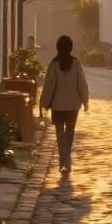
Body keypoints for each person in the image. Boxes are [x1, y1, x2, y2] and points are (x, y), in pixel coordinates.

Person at [41, 35, 90, 174]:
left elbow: (49, 86)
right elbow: (81, 83)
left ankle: (64, 161)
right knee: (69, 134)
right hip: (73, 106)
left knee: (60, 135)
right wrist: (85, 100)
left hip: (57, 106)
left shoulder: (54, 64)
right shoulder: (76, 63)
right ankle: (66, 162)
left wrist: (44, 102)